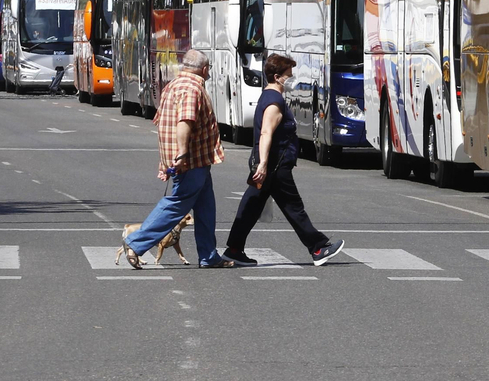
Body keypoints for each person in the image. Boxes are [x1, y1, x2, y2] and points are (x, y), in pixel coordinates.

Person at [223, 54, 344, 267]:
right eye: (289, 75)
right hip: (274, 165)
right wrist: (262, 164)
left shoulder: (269, 96)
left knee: (251, 206)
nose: (291, 78)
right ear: (277, 77)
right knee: (293, 207)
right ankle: (318, 247)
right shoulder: (274, 101)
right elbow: (266, 133)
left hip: (270, 164)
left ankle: (234, 249)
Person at [121, 48, 234, 269]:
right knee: (177, 204)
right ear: (204, 69)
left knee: (205, 207)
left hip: (195, 160)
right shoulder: (192, 88)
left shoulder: (173, 85)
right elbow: (184, 122)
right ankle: (135, 243)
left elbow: (164, 125)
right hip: (191, 160)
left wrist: (164, 160)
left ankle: (208, 255)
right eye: (208, 69)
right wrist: (181, 155)